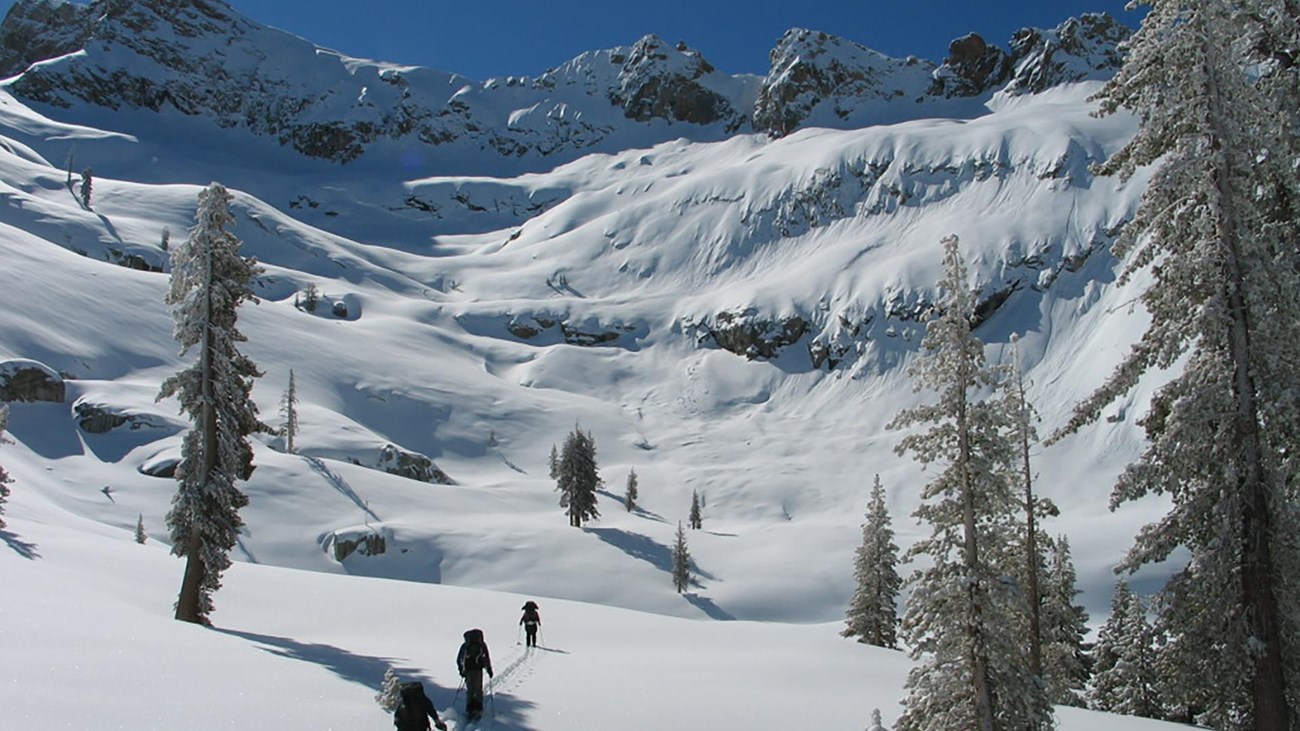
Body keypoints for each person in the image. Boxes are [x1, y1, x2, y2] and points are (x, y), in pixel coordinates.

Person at [456, 628, 494, 721]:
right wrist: (489, 669)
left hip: (468, 669)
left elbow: (459, 658)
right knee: (478, 689)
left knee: (470, 689)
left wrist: (461, 670)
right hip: (478, 669)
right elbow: (486, 657)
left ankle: (470, 708)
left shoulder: (465, 645)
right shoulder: (481, 645)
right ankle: (478, 708)